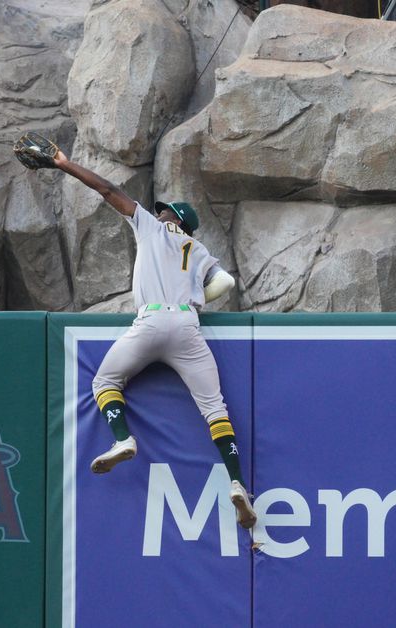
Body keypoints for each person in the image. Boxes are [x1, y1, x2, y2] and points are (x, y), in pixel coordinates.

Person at [50, 148, 257, 530]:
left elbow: (108, 189)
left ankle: (123, 439)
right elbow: (225, 283)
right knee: (215, 410)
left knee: (105, 381)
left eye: (165, 210)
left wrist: (66, 165)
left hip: (150, 322)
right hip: (188, 327)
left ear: (173, 219)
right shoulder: (199, 249)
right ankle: (237, 482)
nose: (158, 211)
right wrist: (194, 301)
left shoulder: (152, 227)